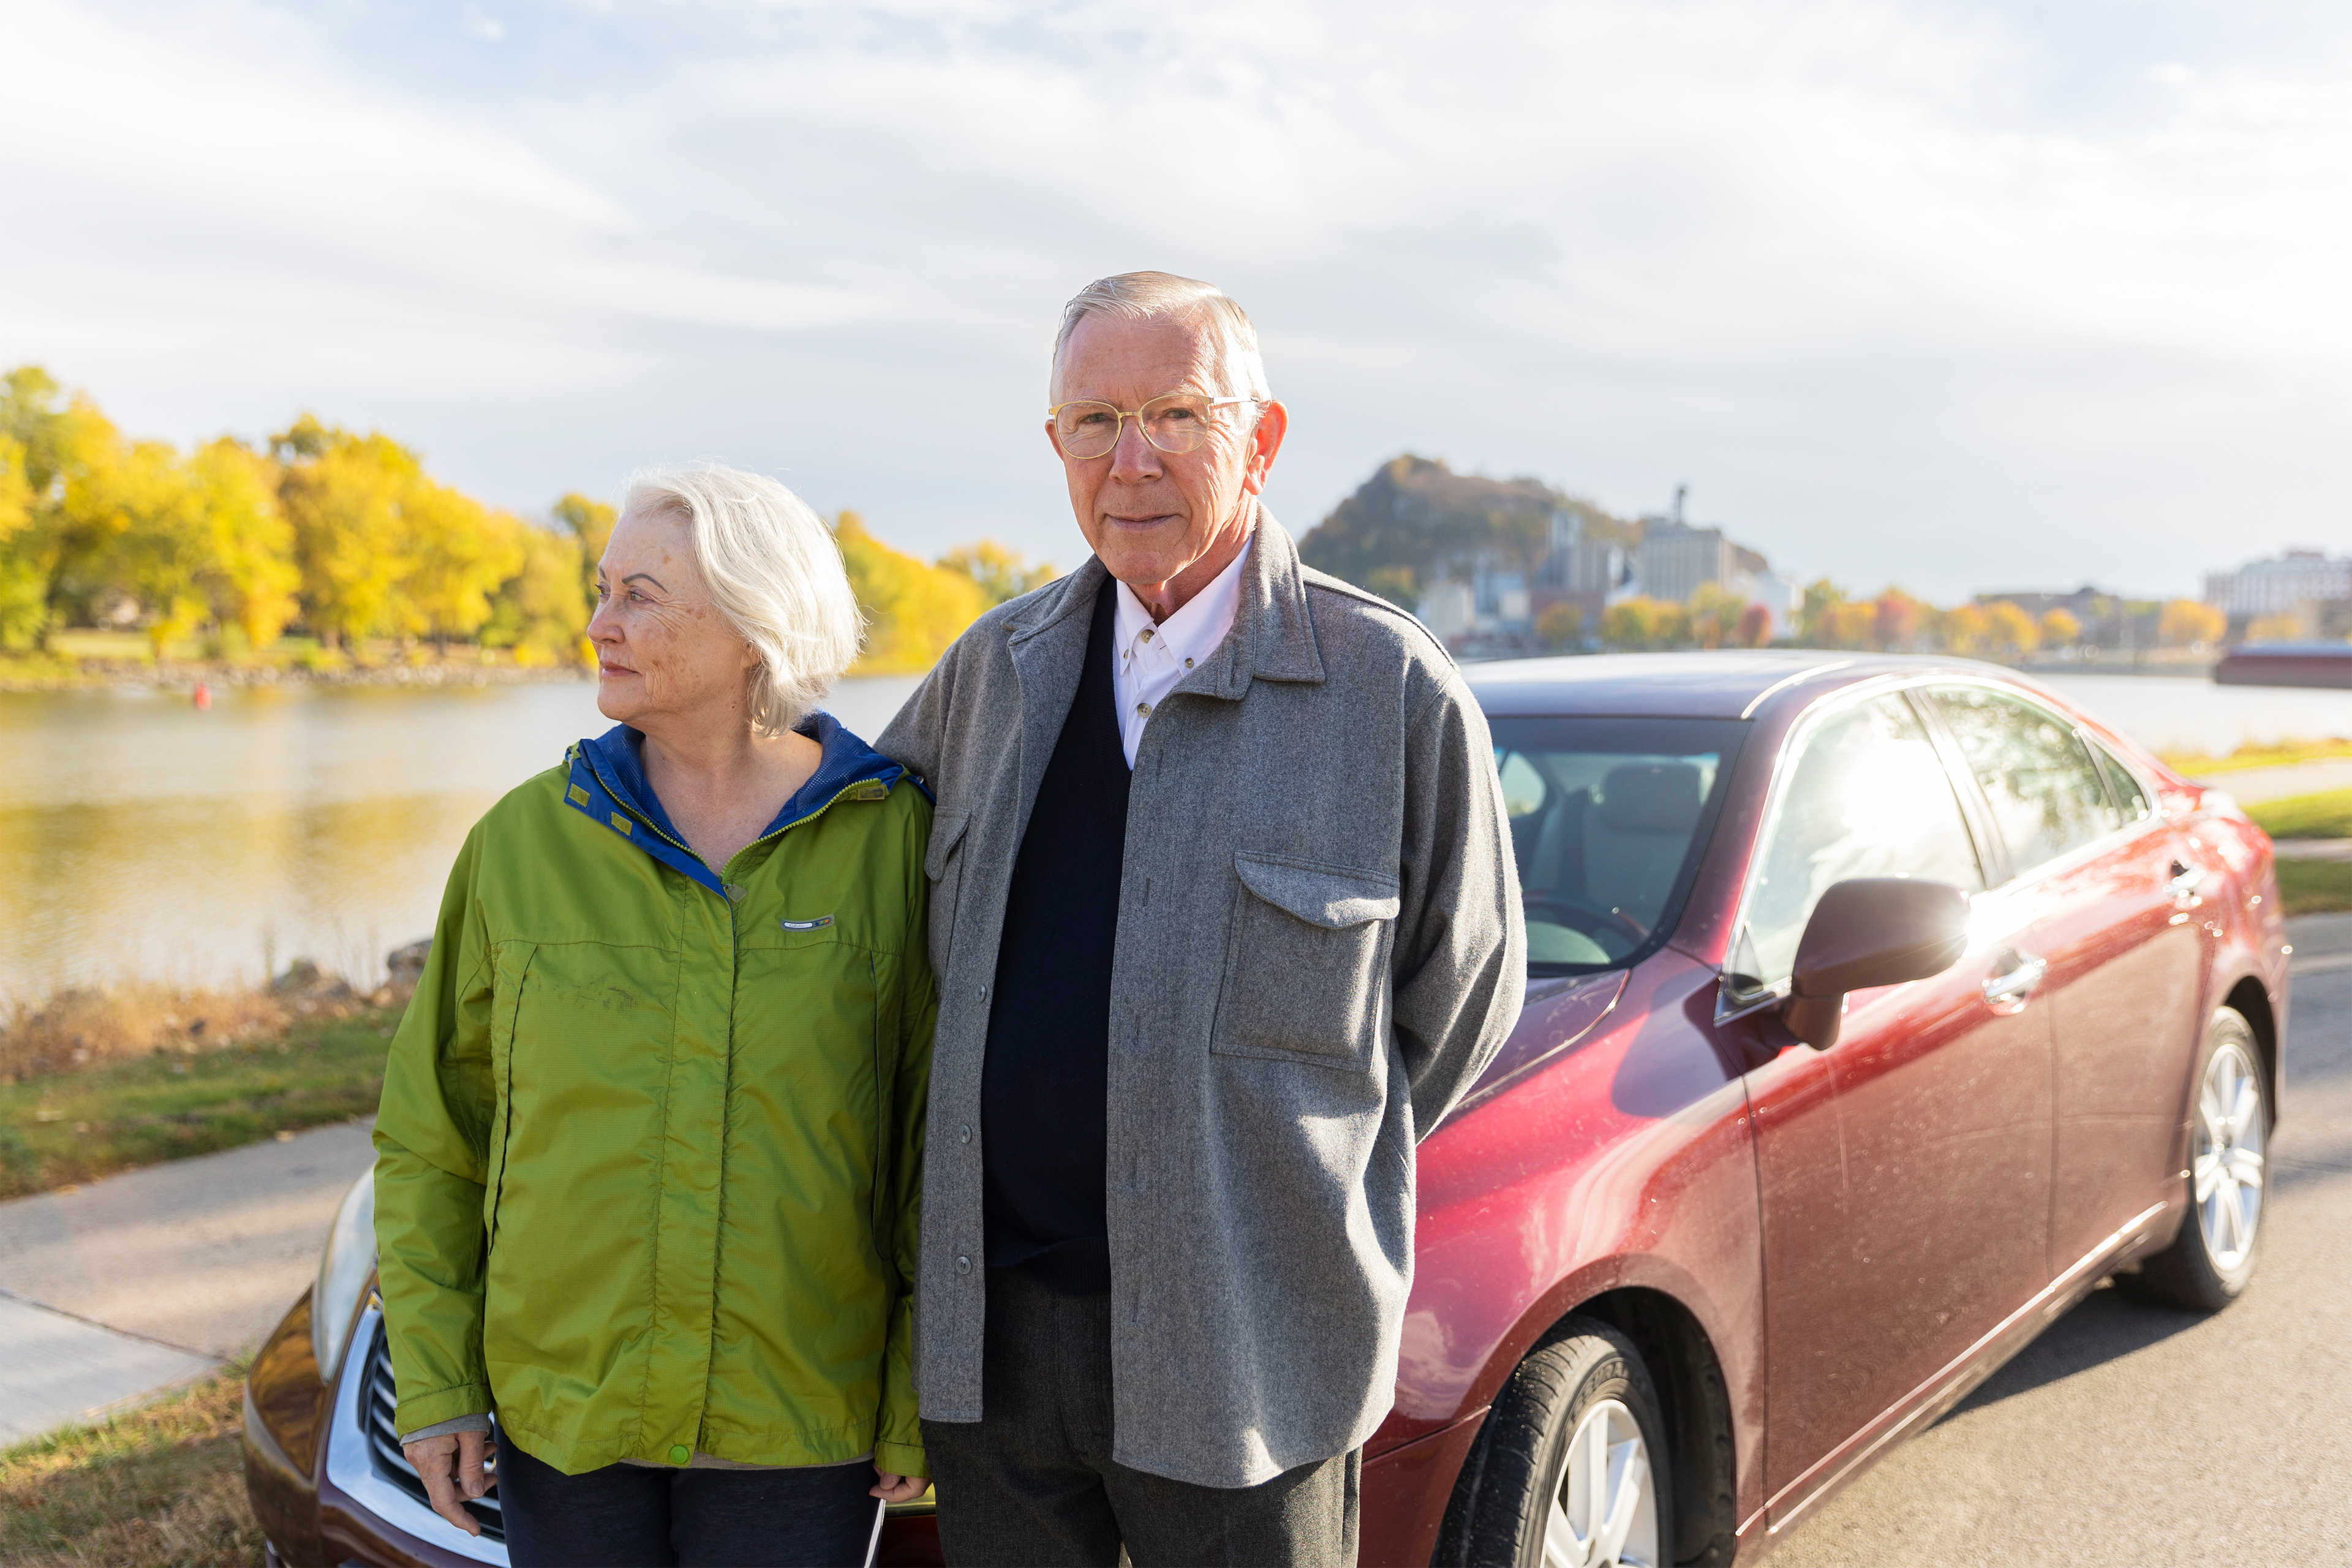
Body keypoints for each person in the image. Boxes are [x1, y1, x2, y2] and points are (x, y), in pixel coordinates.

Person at [877, 271, 1525, 1566]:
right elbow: (863, 900)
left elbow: (1459, 1001)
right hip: (996, 1350)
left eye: (1176, 413)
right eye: (1094, 420)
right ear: (1054, 444)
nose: (1132, 460)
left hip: (1246, 1353)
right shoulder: (989, 673)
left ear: (1262, 440)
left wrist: (1270, 1183)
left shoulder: (1385, 687)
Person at [373, 464, 935, 1567]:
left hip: (798, 1417)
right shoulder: (521, 843)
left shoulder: (895, 842)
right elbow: (433, 1132)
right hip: (568, 1415)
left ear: (751, 625)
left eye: (640, 595)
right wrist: (438, 1381)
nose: (599, 625)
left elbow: (934, 1142)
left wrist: (915, 1384)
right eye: (602, 589)